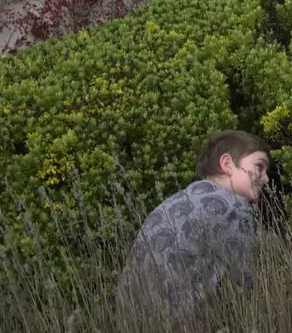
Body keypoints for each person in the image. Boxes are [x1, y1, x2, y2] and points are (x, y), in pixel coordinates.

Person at [116, 130, 271, 320]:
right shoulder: (233, 207)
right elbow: (247, 285)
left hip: (134, 327)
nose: (265, 179)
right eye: (259, 166)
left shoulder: (173, 203)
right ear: (227, 164)